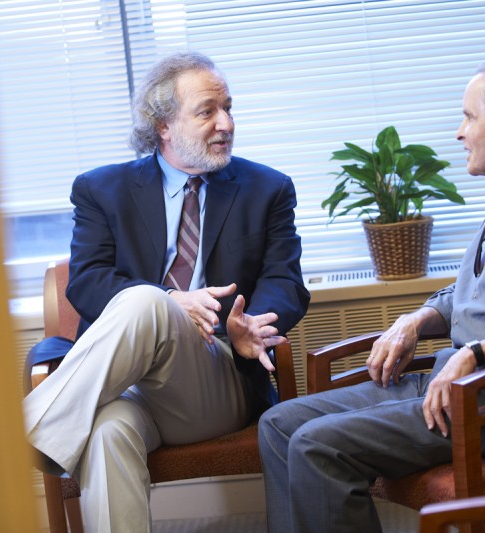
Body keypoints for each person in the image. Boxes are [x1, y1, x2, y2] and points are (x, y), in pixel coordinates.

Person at [258, 52, 485, 533]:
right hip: (458, 380)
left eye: (469, 116)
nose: (459, 131)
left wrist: (474, 353)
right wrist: (415, 321)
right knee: (278, 425)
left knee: (316, 445)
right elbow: (474, 292)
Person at [23, 51, 310, 532]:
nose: (226, 123)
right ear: (163, 125)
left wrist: (249, 324)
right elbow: (89, 279)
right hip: (126, 384)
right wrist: (171, 301)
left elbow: (286, 281)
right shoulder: (101, 189)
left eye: (228, 108)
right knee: (107, 434)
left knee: (145, 299)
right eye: (206, 111)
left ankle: (23, 435)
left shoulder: (268, 189)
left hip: (216, 378)